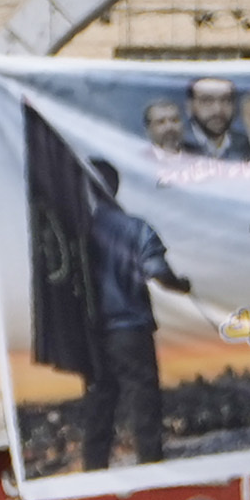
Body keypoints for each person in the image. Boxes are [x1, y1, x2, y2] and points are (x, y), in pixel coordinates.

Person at [77, 158, 186, 472]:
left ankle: (93, 471)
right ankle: (150, 467)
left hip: (93, 334)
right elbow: (159, 273)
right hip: (131, 331)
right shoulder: (136, 228)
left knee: (100, 404)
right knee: (143, 401)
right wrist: (183, 286)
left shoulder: (79, 233)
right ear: (115, 187)